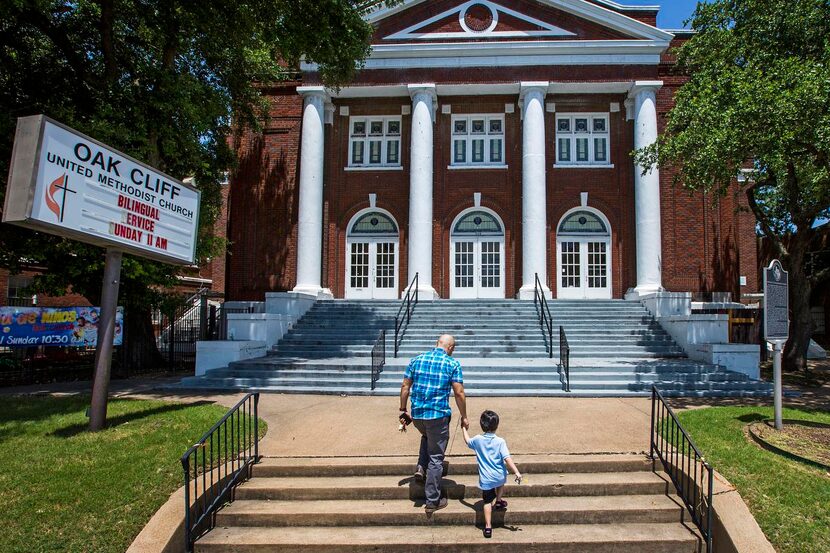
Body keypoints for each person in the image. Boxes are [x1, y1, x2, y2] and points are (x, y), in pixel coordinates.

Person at [399, 334, 468, 514]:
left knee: (426, 435)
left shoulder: (416, 360)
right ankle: (432, 500)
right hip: (437, 415)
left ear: (437, 343)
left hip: (418, 415)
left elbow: (405, 386)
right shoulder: (452, 364)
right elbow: (459, 392)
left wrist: (402, 409)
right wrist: (464, 415)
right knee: (436, 458)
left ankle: (421, 468)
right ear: (450, 348)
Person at [462, 410, 522, 539]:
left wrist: (463, 428)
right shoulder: (500, 441)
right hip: (499, 475)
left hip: (486, 479)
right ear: (497, 425)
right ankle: (499, 501)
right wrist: (516, 472)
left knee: (487, 502)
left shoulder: (478, 440)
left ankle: (488, 526)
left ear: (482, 425)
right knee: (501, 480)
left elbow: (467, 441)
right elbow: (507, 458)